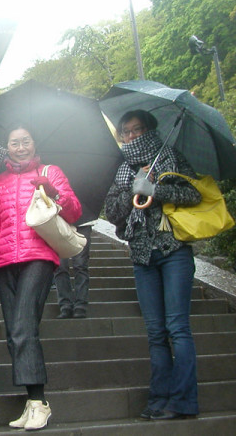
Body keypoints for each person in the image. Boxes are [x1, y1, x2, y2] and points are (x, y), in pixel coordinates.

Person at [0, 124, 81, 431]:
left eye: (25, 142)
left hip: (39, 258)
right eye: (14, 143)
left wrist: (53, 191)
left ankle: (39, 403)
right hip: (5, 262)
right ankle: (31, 401)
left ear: (34, 144)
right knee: (14, 332)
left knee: (23, 326)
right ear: (6, 147)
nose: (20, 147)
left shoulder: (52, 172)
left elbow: (74, 212)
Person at [104, 109, 201, 420]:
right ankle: (158, 399)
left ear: (149, 129)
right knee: (156, 333)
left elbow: (194, 193)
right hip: (142, 257)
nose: (132, 136)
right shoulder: (122, 169)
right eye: (127, 132)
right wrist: (134, 187)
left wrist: (156, 188)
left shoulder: (170, 157)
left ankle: (182, 400)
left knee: (178, 328)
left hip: (173, 250)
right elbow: (114, 214)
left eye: (138, 129)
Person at [54, 219, 94, 319]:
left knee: (80, 264)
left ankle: (81, 304)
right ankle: (65, 305)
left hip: (83, 221)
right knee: (60, 266)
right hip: (58, 221)